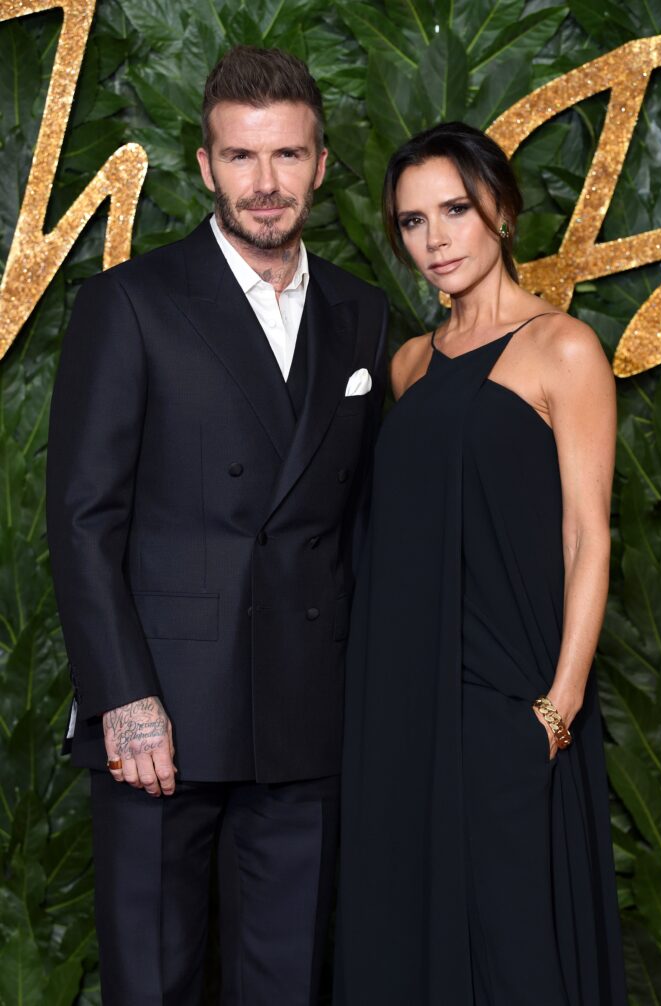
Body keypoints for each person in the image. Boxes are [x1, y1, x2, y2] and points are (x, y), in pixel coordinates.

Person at [46, 45, 388, 1006]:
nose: (265, 182)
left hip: (305, 713)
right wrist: (124, 699)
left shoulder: (362, 313)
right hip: (161, 715)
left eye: (287, 155)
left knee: (286, 985)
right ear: (205, 165)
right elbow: (82, 517)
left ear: (321, 163)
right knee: (153, 983)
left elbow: (359, 523)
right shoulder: (131, 302)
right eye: (241, 156)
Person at [333, 122, 627, 1005]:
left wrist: (556, 712)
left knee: (516, 952)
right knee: (410, 944)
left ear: (499, 208)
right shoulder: (409, 365)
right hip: (402, 707)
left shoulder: (563, 348)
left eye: (455, 210)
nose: (436, 239)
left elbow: (588, 535)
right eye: (413, 221)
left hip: (510, 706)